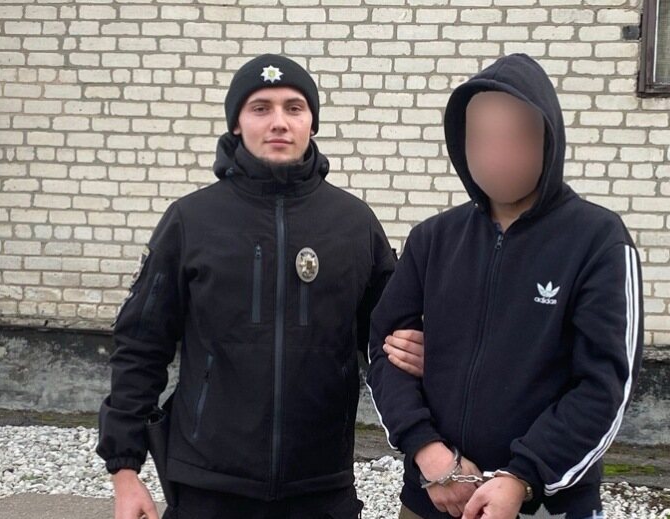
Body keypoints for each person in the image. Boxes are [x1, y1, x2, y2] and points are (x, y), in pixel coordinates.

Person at [96, 54, 425, 519]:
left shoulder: (354, 224)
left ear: (312, 122)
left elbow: (390, 340)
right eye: (260, 108)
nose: (279, 122)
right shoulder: (191, 221)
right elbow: (140, 345)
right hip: (209, 485)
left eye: (294, 108)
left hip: (320, 485)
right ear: (237, 123)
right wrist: (125, 469)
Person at [367, 53, 644, 519]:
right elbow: (385, 352)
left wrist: (523, 478)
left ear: (548, 140)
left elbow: (605, 385)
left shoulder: (597, 240)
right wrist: (429, 454)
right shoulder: (433, 239)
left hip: (545, 506)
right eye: (482, 138)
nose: (497, 156)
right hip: (431, 497)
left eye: (516, 136)